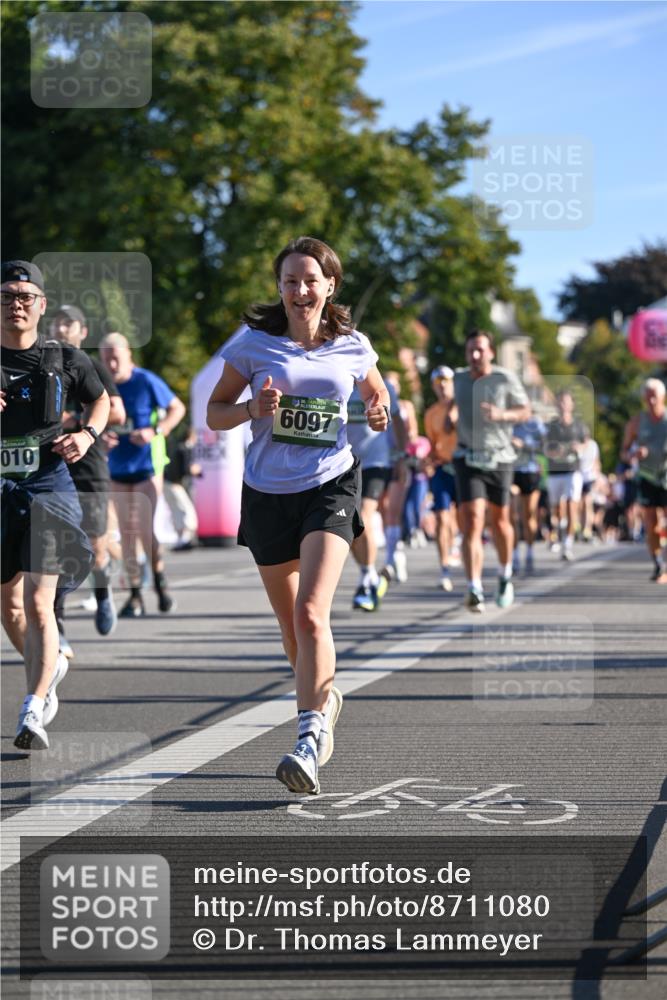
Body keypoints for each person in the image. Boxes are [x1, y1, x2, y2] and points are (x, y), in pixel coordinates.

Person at [206, 236, 389, 796]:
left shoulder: (353, 345)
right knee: (293, 631)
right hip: (266, 491)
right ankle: (324, 697)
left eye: (310, 280)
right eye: (290, 280)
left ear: (330, 286)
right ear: (279, 288)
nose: (300, 289)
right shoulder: (255, 343)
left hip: (330, 483)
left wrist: (379, 411)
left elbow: (377, 395)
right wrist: (249, 410)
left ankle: (308, 736)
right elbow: (215, 414)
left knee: (312, 613)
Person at [1, 260, 109, 750]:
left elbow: (100, 401)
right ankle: (52, 665)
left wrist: (86, 435)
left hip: (48, 482)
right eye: (6, 295)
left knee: (38, 602)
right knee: (9, 607)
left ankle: (34, 705)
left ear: (41, 305)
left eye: (25, 295)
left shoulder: (64, 356)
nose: (16, 303)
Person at [50, 304, 126, 654]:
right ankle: (58, 629)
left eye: (69, 324)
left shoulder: (90, 366)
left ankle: (101, 588)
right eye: (57, 322)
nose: (62, 329)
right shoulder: (39, 364)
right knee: (52, 553)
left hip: (89, 465)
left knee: (95, 547)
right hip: (49, 468)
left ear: (82, 331)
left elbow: (117, 411)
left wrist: (75, 423)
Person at [99, 333, 185, 617]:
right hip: (116, 468)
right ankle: (135, 595)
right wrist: (99, 435)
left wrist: (155, 430)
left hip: (147, 466)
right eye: (106, 358)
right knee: (126, 532)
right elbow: (88, 419)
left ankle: (160, 584)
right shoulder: (100, 385)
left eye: (116, 357)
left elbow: (177, 408)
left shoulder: (145, 380)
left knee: (146, 531)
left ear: (128, 356)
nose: (111, 364)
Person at [451, 330, 531, 612]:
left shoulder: (505, 378)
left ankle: (505, 574)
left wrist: (502, 415)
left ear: (491, 352)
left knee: (500, 521)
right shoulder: (457, 378)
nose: (474, 355)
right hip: (467, 456)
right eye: (470, 350)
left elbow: (525, 411)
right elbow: (448, 404)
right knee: (472, 520)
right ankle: (474, 587)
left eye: (480, 350)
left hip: (499, 457)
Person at [346, 377, 405, 608]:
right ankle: (368, 574)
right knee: (348, 525)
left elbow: (399, 421)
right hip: (345, 462)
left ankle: (368, 581)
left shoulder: (382, 384)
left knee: (364, 516)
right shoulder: (334, 377)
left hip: (376, 462)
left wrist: (401, 457)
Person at [621, 378, 667, 583]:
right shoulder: (637, 422)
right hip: (647, 477)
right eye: (648, 397)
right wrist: (632, 454)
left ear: (663, 397)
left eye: (654, 397)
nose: (651, 401)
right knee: (651, 522)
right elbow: (623, 451)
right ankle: (658, 563)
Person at [424, 365, 459, 591]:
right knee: (442, 519)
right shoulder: (431, 414)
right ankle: (444, 566)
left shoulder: (464, 407)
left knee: (467, 519)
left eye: (446, 381)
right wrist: (428, 460)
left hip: (464, 468)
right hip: (443, 469)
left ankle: (459, 548)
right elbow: (433, 444)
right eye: (438, 383)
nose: (443, 386)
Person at [544, 389, 586, 561]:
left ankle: (567, 545)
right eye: (560, 402)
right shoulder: (552, 426)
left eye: (566, 402)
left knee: (571, 506)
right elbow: (545, 447)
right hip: (555, 472)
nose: (563, 405)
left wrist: (579, 448)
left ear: (572, 405)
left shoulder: (578, 425)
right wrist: (555, 451)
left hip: (572, 470)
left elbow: (586, 443)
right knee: (557, 509)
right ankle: (560, 530)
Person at [511, 416, 546, 575]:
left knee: (528, 515)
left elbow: (545, 446)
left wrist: (524, 445)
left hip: (530, 472)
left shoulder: (535, 423)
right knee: (512, 516)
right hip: (510, 472)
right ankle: (514, 555)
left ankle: (530, 552)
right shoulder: (503, 420)